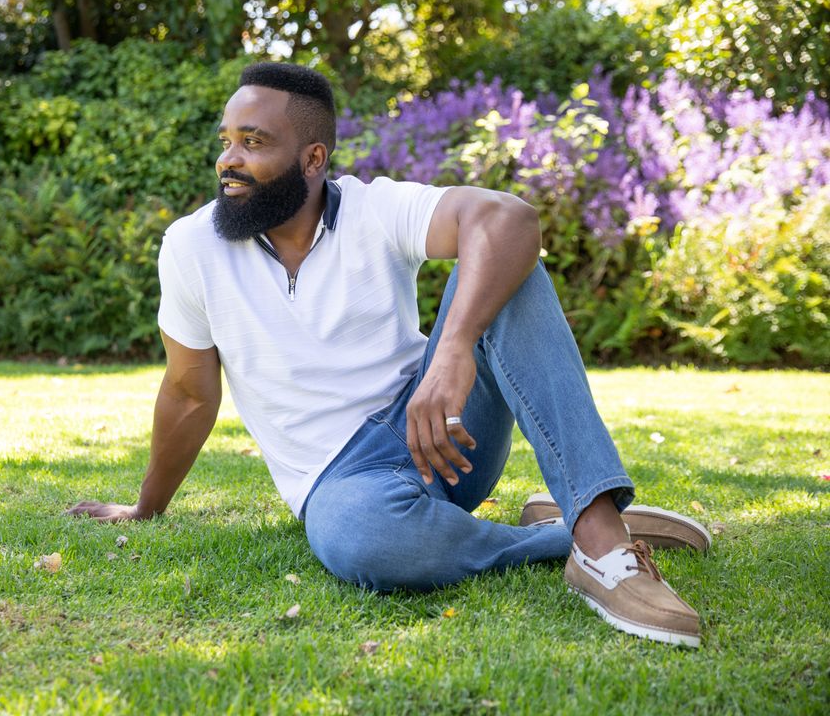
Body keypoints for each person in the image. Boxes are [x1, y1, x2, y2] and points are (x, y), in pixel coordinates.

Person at [68, 62, 711, 648]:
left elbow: (510, 218)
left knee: (508, 262)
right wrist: (146, 506)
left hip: (440, 434)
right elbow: (189, 393)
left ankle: (602, 543)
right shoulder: (190, 247)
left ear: (313, 158)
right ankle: (558, 532)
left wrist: (453, 349)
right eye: (227, 141)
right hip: (342, 485)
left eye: (253, 143)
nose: (228, 161)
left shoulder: (372, 208)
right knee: (364, 541)